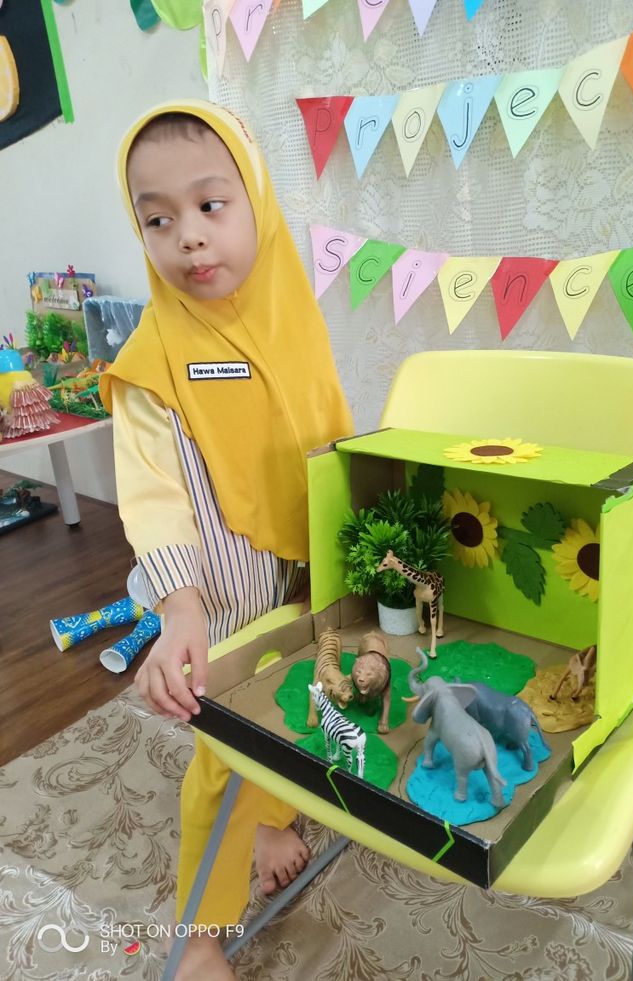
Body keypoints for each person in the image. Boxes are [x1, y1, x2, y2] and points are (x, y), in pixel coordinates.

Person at [100, 99, 353, 980]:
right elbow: (153, 488)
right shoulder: (152, 357)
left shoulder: (293, 318)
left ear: (257, 203)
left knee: (302, 715)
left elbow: (325, 440)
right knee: (225, 757)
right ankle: (200, 931)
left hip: (301, 578)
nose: (190, 239)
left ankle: (276, 819)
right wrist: (178, 606)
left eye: (212, 206)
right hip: (218, 599)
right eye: (158, 219)